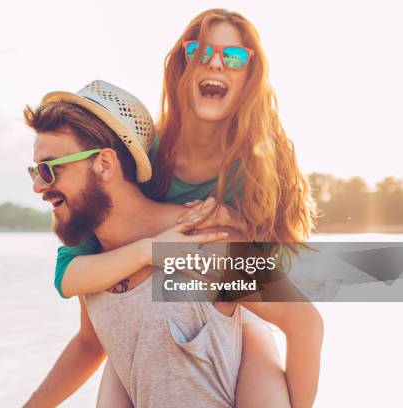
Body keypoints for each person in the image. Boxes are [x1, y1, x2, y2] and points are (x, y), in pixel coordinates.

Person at [48, 9, 316, 407]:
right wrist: (148, 252)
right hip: (148, 311)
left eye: (234, 57)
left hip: (239, 311)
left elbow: (275, 274)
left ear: (250, 75)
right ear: (182, 66)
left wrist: (238, 226)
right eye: (200, 51)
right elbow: (84, 252)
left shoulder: (260, 165)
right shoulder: (148, 155)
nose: (215, 63)